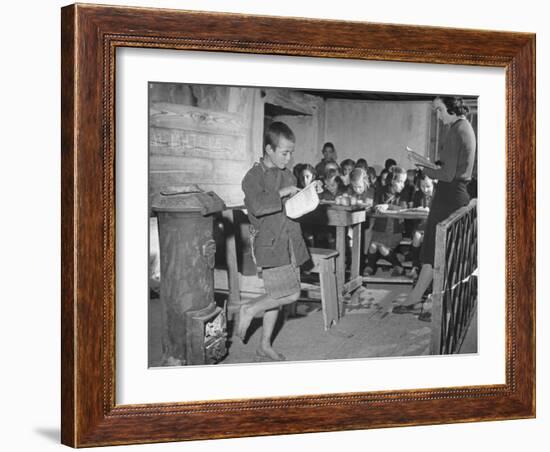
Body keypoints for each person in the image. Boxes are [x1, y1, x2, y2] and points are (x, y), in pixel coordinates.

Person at [399, 96, 476, 320]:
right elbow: (450, 169)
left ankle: (439, 305)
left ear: (452, 108)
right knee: (434, 253)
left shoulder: (456, 130)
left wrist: (422, 166)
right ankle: (418, 300)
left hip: (449, 197)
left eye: (440, 110)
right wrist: (429, 163)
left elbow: (446, 174)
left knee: (439, 254)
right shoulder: (465, 127)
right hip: (453, 194)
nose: (438, 115)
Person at [239, 121, 310, 361]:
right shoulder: (252, 177)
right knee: (290, 294)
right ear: (269, 149)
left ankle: (264, 345)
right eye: (284, 152)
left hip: (290, 242)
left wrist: (308, 193)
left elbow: (291, 205)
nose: (289, 158)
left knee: (276, 296)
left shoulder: (287, 173)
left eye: (291, 153)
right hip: (271, 244)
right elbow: (258, 206)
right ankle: (249, 309)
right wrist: (283, 192)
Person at [364, 166, 408, 276]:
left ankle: (397, 266)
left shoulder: (403, 193)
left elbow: (403, 209)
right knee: (373, 245)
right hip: (380, 229)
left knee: (379, 247)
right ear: (392, 181)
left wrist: (387, 206)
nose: (403, 185)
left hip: (395, 231)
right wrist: (375, 207)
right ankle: (370, 266)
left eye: (404, 182)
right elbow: (374, 207)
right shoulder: (380, 191)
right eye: (400, 182)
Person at [407, 173, 434, 278]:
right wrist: (417, 209)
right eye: (422, 186)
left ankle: (426, 268)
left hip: (433, 226)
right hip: (420, 225)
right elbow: (413, 209)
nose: (425, 189)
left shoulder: (438, 194)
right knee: (417, 236)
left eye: (428, 186)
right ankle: (415, 266)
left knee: (427, 239)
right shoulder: (418, 194)